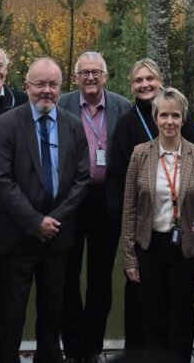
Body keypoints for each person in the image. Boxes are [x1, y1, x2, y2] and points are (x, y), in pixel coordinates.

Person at [0, 57, 90, 363]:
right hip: (15, 238)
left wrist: (53, 220)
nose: (46, 91)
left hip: (56, 239)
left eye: (53, 84)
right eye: (40, 84)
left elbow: (82, 178)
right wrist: (34, 222)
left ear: (62, 87)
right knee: (10, 315)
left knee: (52, 313)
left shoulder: (73, 125)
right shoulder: (6, 123)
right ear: (26, 85)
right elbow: (1, 180)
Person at [105, 58, 194, 349]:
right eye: (138, 80)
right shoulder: (126, 124)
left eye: (150, 79)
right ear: (131, 86)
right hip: (143, 232)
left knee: (180, 307)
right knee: (143, 308)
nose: (145, 84)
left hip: (181, 230)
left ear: (160, 81)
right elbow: (117, 180)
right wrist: (128, 228)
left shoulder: (182, 118)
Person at [120, 88, 194, 363]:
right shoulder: (140, 154)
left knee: (181, 319)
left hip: (186, 249)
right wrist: (129, 257)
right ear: (156, 118)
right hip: (149, 247)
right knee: (150, 319)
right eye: (164, 115)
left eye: (175, 115)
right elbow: (129, 209)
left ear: (183, 118)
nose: (169, 121)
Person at [58, 51, 132, 363]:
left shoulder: (121, 106)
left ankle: (92, 344)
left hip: (106, 200)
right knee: (67, 275)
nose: (90, 77)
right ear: (75, 77)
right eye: (84, 72)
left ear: (105, 76)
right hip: (72, 199)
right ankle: (73, 345)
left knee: (101, 277)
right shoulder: (63, 105)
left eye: (96, 72)